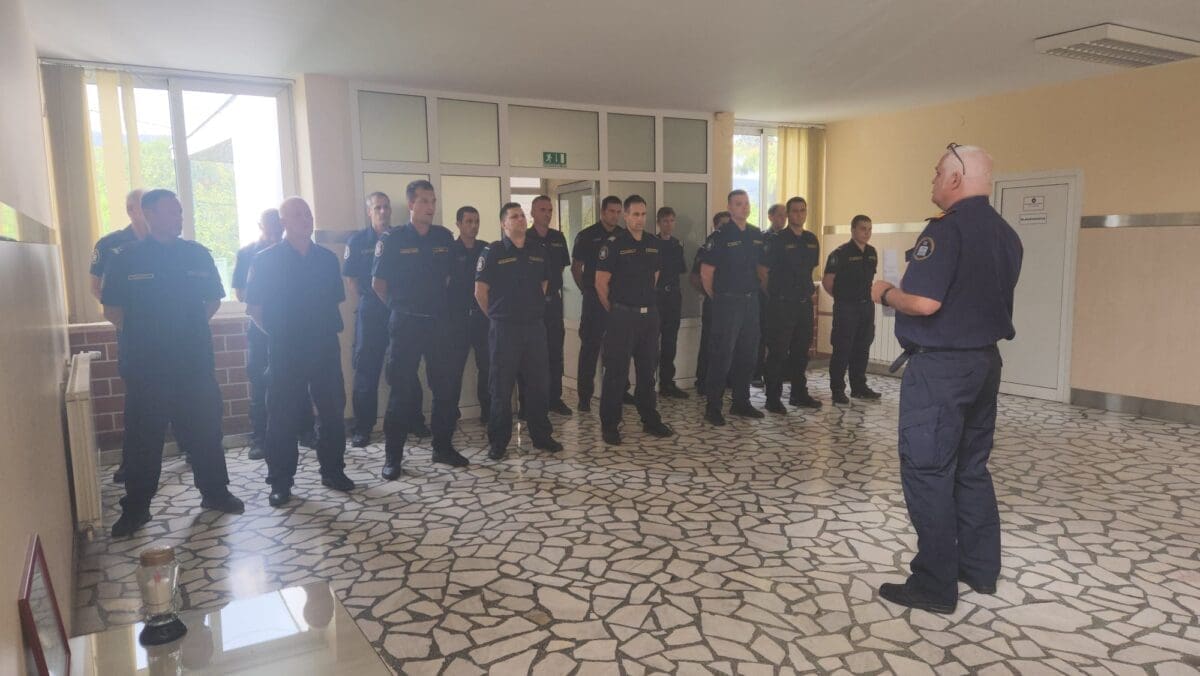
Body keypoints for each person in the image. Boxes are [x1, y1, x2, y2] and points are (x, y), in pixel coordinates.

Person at [871, 144, 1022, 614]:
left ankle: (934, 585)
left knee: (928, 470)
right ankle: (979, 569)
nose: (933, 180)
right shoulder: (1005, 234)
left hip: (941, 370)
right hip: (984, 364)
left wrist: (886, 293)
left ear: (956, 178)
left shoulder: (946, 230)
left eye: (938, 172)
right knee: (971, 467)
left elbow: (924, 302)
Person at [100, 189, 243, 537]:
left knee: (205, 431)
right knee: (143, 439)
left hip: (193, 363)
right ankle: (136, 508)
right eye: (171, 211)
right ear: (148, 214)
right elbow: (112, 310)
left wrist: (184, 332)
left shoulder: (196, 254)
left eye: (180, 211)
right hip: (146, 367)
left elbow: (212, 301)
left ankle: (215, 492)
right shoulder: (125, 258)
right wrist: (150, 336)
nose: (179, 217)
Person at [245, 197, 355, 507]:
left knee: (332, 412)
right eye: (297, 214)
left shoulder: (326, 259)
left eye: (308, 213)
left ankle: (333, 471)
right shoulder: (265, 260)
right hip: (286, 348)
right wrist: (281, 335)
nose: (305, 218)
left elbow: (335, 300)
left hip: (324, 346)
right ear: (283, 223)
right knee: (282, 417)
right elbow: (255, 309)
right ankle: (280, 482)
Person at [372, 180, 464, 476]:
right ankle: (393, 458)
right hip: (406, 324)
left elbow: (449, 278)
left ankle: (442, 448)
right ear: (411, 204)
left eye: (433, 201)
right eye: (424, 201)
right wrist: (401, 308)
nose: (430, 207)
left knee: (445, 389)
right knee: (401, 392)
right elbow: (379, 285)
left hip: (438, 322)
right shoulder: (393, 239)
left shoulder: (443, 237)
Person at [475, 203, 564, 460]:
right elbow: (480, 292)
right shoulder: (493, 251)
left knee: (538, 385)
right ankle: (499, 442)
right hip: (505, 329)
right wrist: (497, 317)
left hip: (534, 328)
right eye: (514, 217)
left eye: (522, 215)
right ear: (503, 223)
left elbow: (544, 283)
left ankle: (541, 435)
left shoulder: (538, 250)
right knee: (501, 388)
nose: (521, 219)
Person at [343, 191, 429, 448]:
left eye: (386, 207)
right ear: (369, 212)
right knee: (366, 371)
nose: (383, 212)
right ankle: (363, 428)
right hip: (371, 313)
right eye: (378, 208)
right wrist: (370, 302)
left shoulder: (401, 238)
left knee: (406, 368)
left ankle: (415, 420)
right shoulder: (357, 241)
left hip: (399, 312)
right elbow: (351, 280)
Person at [233, 208, 315, 461]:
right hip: (262, 330)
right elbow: (241, 294)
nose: (274, 231)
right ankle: (259, 439)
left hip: (292, 332)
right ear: (260, 225)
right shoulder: (249, 254)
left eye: (277, 226)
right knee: (260, 383)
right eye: (269, 226)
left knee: (301, 381)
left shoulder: (292, 252)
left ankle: (306, 431)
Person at [594, 195, 675, 445]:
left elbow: (655, 275)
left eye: (643, 214)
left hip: (648, 315)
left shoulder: (653, 243)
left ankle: (649, 419)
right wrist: (617, 310)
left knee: (648, 372)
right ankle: (610, 425)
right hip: (622, 316)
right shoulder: (614, 244)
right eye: (635, 214)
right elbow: (601, 283)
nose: (640, 219)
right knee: (616, 373)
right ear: (626, 216)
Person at [91, 188, 147, 484]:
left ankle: (190, 449)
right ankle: (131, 464)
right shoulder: (111, 245)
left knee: (183, 394)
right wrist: (129, 324)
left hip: (174, 336)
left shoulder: (169, 244)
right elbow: (97, 288)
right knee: (138, 400)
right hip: (134, 334)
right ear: (131, 210)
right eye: (144, 207)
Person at [698, 191, 766, 425]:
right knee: (721, 355)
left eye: (746, 203)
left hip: (750, 301)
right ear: (729, 207)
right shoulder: (720, 236)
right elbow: (706, 273)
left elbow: (761, 268)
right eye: (739, 204)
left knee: (748, 354)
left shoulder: (756, 234)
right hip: (727, 302)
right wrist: (719, 297)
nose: (744, 207)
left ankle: (741, 402)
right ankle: (713, 407)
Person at [759, 196, 822, 413]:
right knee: (777, 352)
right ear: (788, 214)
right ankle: (773, 398)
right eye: (795, 211)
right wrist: (774, 295)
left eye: (803, 210)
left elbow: (810, 270)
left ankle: (798, 394)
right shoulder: (777, 239)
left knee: (801, 352)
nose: (799, 214)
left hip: (803, 304)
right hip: (781, 304)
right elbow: (763, 271)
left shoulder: (811, 239)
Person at [571, 196, 624, 411]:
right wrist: (586, 290)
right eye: (611, 211)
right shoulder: (587, 236)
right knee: (590, 348)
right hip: (593, 299)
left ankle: (620, 392)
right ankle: (585, 397)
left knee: (618, 348)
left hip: (617, 299)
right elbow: (576, 268)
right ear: (602, 212)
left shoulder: (623, 236)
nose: (615, 215)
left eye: (618, 212)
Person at [522, 195, 573, 416]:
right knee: (530, 355)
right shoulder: (525, 238)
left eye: (550, 210)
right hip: (531, 304)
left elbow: (560, 269)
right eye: (542, 210)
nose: (547, 214)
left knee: (555, 352)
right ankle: (528, 403)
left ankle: (555, 398)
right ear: (532, 213)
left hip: (553, 303)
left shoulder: (558, 237)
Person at [822, 215, 881, 403]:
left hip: (866, 307)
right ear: (853, 230)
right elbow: (828, 282)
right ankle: (838, 390)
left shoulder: (872, 252)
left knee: (862, 347)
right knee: (842, 349)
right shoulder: (840, 253)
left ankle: (859, 387)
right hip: (847, 307)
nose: (867, 233)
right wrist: (843, 299)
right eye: (863, 228)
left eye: (869, 229)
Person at [446, 206, 490, 424]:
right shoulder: (450, 251)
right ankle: (450, 414)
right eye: (469, 221)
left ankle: (488, 412)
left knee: (487, 367)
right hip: (458, 319)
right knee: (454, 369)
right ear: (459, 224)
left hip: (483, 317)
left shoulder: (486, 249)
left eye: (476, 221)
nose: (473, 226)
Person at [691, 211, 729, 393]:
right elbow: (695, 278)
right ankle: (703, 381)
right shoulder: (707, 247)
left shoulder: (734, 248)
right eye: (722, 225)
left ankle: (726, 380)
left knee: (729, 343)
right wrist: (711, 294)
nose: (725, 228)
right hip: (714, 302)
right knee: (709, 342)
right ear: (715, 226)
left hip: (732, 303)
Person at [654, 207, 689, 399]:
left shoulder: (677, 244)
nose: (669, 224)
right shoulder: (652, 243)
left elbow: (680, 270)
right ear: (659, 223)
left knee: (670, 342)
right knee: (651, 342)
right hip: (656, 297)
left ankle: (667, 382)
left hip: (673, 297)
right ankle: (648, 383)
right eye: (665, 221)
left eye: (672, 221)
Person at [753, 203, 788, 387]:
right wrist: (769, 292)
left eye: (785, 215)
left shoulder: (789, 238)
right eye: (780, 215)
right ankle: (756, 373)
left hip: (784, 295)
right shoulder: (762, 238)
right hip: (764, 294)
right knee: (761, 334)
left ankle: (778, 372)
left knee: (781, 335)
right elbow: (759, 269)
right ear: (770, 216)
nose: (783, 218)